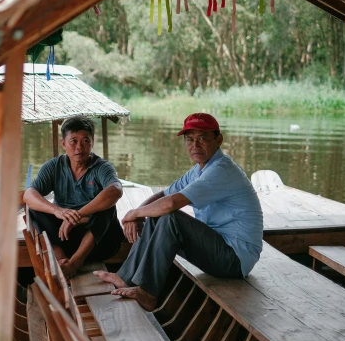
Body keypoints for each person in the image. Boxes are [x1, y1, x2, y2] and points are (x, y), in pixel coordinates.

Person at [95, 113, 263, 311]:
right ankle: (125, 278)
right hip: (220, 249)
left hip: (235, 259)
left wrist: (134, 214)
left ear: (218, 140)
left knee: (170, 217)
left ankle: (148, 292)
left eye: (202, 138)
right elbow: (164, 195)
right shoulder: (200, 169)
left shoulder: (222, 170)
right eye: (190, 139)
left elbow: (171, 203)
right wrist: (139, 212)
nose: (195, 145)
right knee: (159, 217)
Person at [24, 116, 125, 277]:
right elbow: (29, 194)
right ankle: (61, 259)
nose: (79, 147)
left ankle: (75, 262)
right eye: (73, 141)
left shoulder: (101, 167)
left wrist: (78, 215)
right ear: (63, 143)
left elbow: (116, 190)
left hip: (99, 243)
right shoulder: (54, 166)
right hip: (64, 239)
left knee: (107, 208)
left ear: (92, 142)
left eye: (85, 141)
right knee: (34, 207)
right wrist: (58, 211)